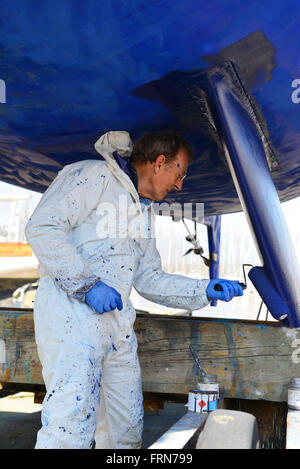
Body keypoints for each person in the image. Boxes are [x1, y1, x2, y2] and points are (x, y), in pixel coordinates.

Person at [25, 130, 243, 449]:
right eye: (179, 173)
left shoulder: (141, 212)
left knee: (124, 431)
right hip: (71, 323)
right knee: (69, 427)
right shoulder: (92, 175)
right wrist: (87, 285)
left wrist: (205, 289)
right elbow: (42, 227)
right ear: (159, 163)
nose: (180, 185)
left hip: (117, 329)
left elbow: (149, 278)